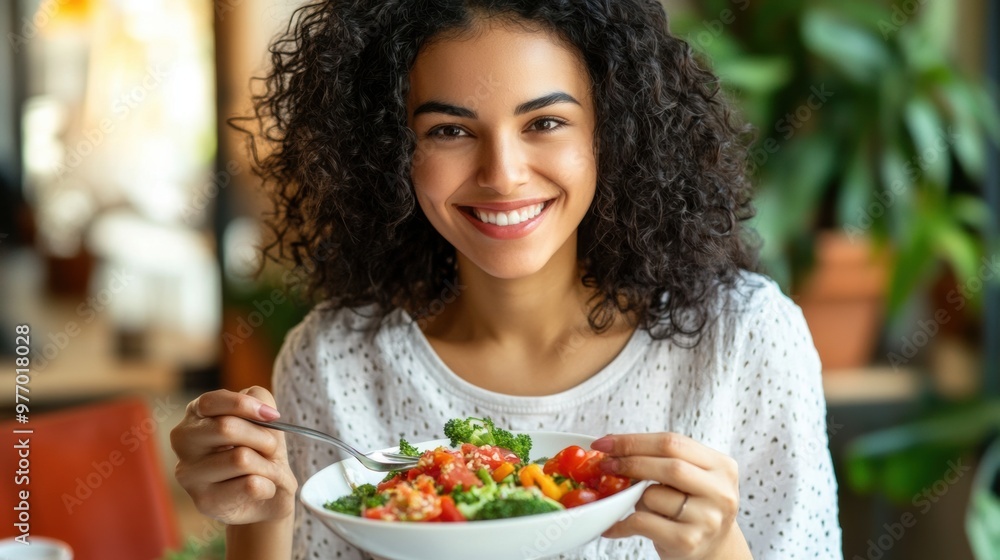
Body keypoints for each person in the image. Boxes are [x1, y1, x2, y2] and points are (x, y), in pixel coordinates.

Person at [170, 1, 843, 558]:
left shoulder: (746, 341)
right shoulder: (336, 361)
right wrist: (256, 515)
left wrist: (718, 548)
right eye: (449, 131)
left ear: (611, 131)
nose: (503, 173)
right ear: (387, 150)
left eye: (544, 122)